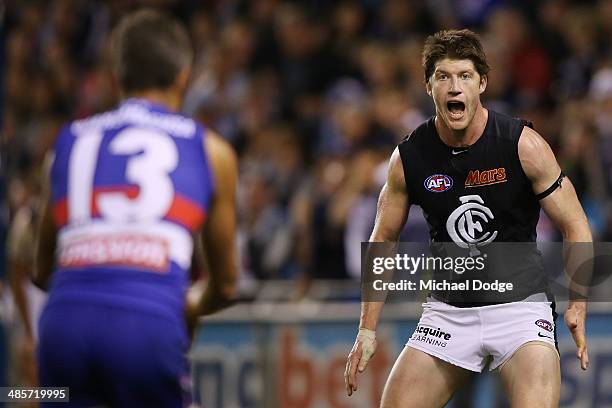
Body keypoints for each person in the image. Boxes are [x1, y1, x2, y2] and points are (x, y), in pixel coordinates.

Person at [345, 29, 591, 407]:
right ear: (429, 87)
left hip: (520, 310)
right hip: (448, 314)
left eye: (465, 76)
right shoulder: (409, 158)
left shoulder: (522, 145)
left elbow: (575, 223)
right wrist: (366, 328)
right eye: (443, 76)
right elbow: (383, 239)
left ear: (482, 84)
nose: (455, 87)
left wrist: (578, 302)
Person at [33, 9, 238, 407]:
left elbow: (43, 272)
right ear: (184, 74)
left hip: (63, 327)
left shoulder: (68, 143)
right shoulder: (212, 151)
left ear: (115, 76)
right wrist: (189, 304)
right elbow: (226, 284)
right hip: (147, 326)